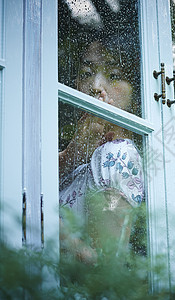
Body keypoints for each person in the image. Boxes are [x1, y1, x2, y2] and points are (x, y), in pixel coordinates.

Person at [58, 34, 144, 265]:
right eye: (86, 73)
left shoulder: (117, 155)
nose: (96, 86)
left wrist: (47, 224)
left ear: (137, 96)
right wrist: (75, 150)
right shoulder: (89, 156)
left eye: (114, 75)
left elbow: (103, 267)